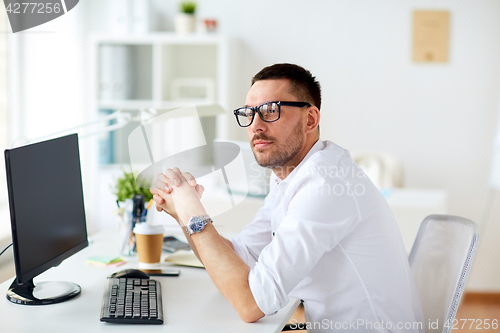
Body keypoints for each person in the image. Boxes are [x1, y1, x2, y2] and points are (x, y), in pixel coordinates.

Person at [150, 63, 424, 332]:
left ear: (311, 119)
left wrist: (194, 214)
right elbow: (242, 257)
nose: (255, 125)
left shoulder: (325, 184)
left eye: (271, 111)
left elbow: (250, 304)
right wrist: (184, 214)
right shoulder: (289, 175)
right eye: (249, 113)